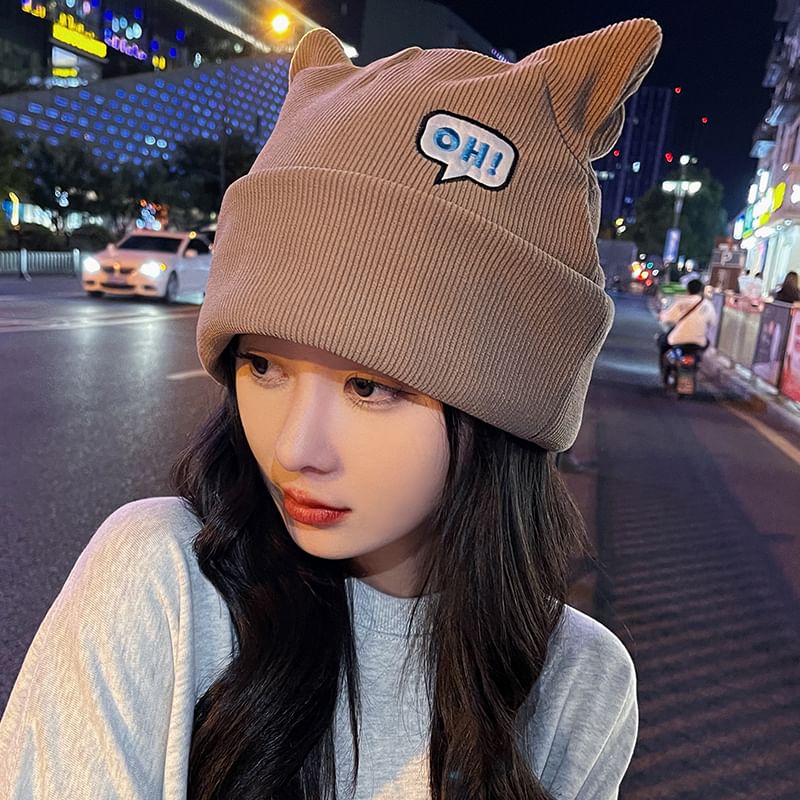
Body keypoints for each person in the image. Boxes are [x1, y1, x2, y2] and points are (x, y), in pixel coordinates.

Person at [0, 19, 662, 800]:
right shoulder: (163, 582)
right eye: (263, 365)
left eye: (368, 387)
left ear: (506, 406)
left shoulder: (579, 683)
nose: (293, 450)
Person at [657, 278, 718, 372]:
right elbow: (713, 322)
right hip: (699, 341)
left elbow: (667, 317)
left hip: (678, 339)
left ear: (688, 289)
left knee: (663, 343)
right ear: (701, 291)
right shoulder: (707, 305)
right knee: (704, 347)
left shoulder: (681, 302)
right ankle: (698, 364)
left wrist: (662, 317)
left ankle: (665, 372)